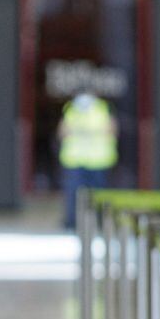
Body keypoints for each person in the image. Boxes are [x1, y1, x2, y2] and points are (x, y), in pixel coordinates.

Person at [58, 92, 118, 230]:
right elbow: (62, 132)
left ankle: (101, 222)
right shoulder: (71, 108)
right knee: (73, 194)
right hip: (75, 160)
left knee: (100, 195)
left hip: (99, 161)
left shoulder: (103, 108)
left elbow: (112, 130)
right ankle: (71, 222)